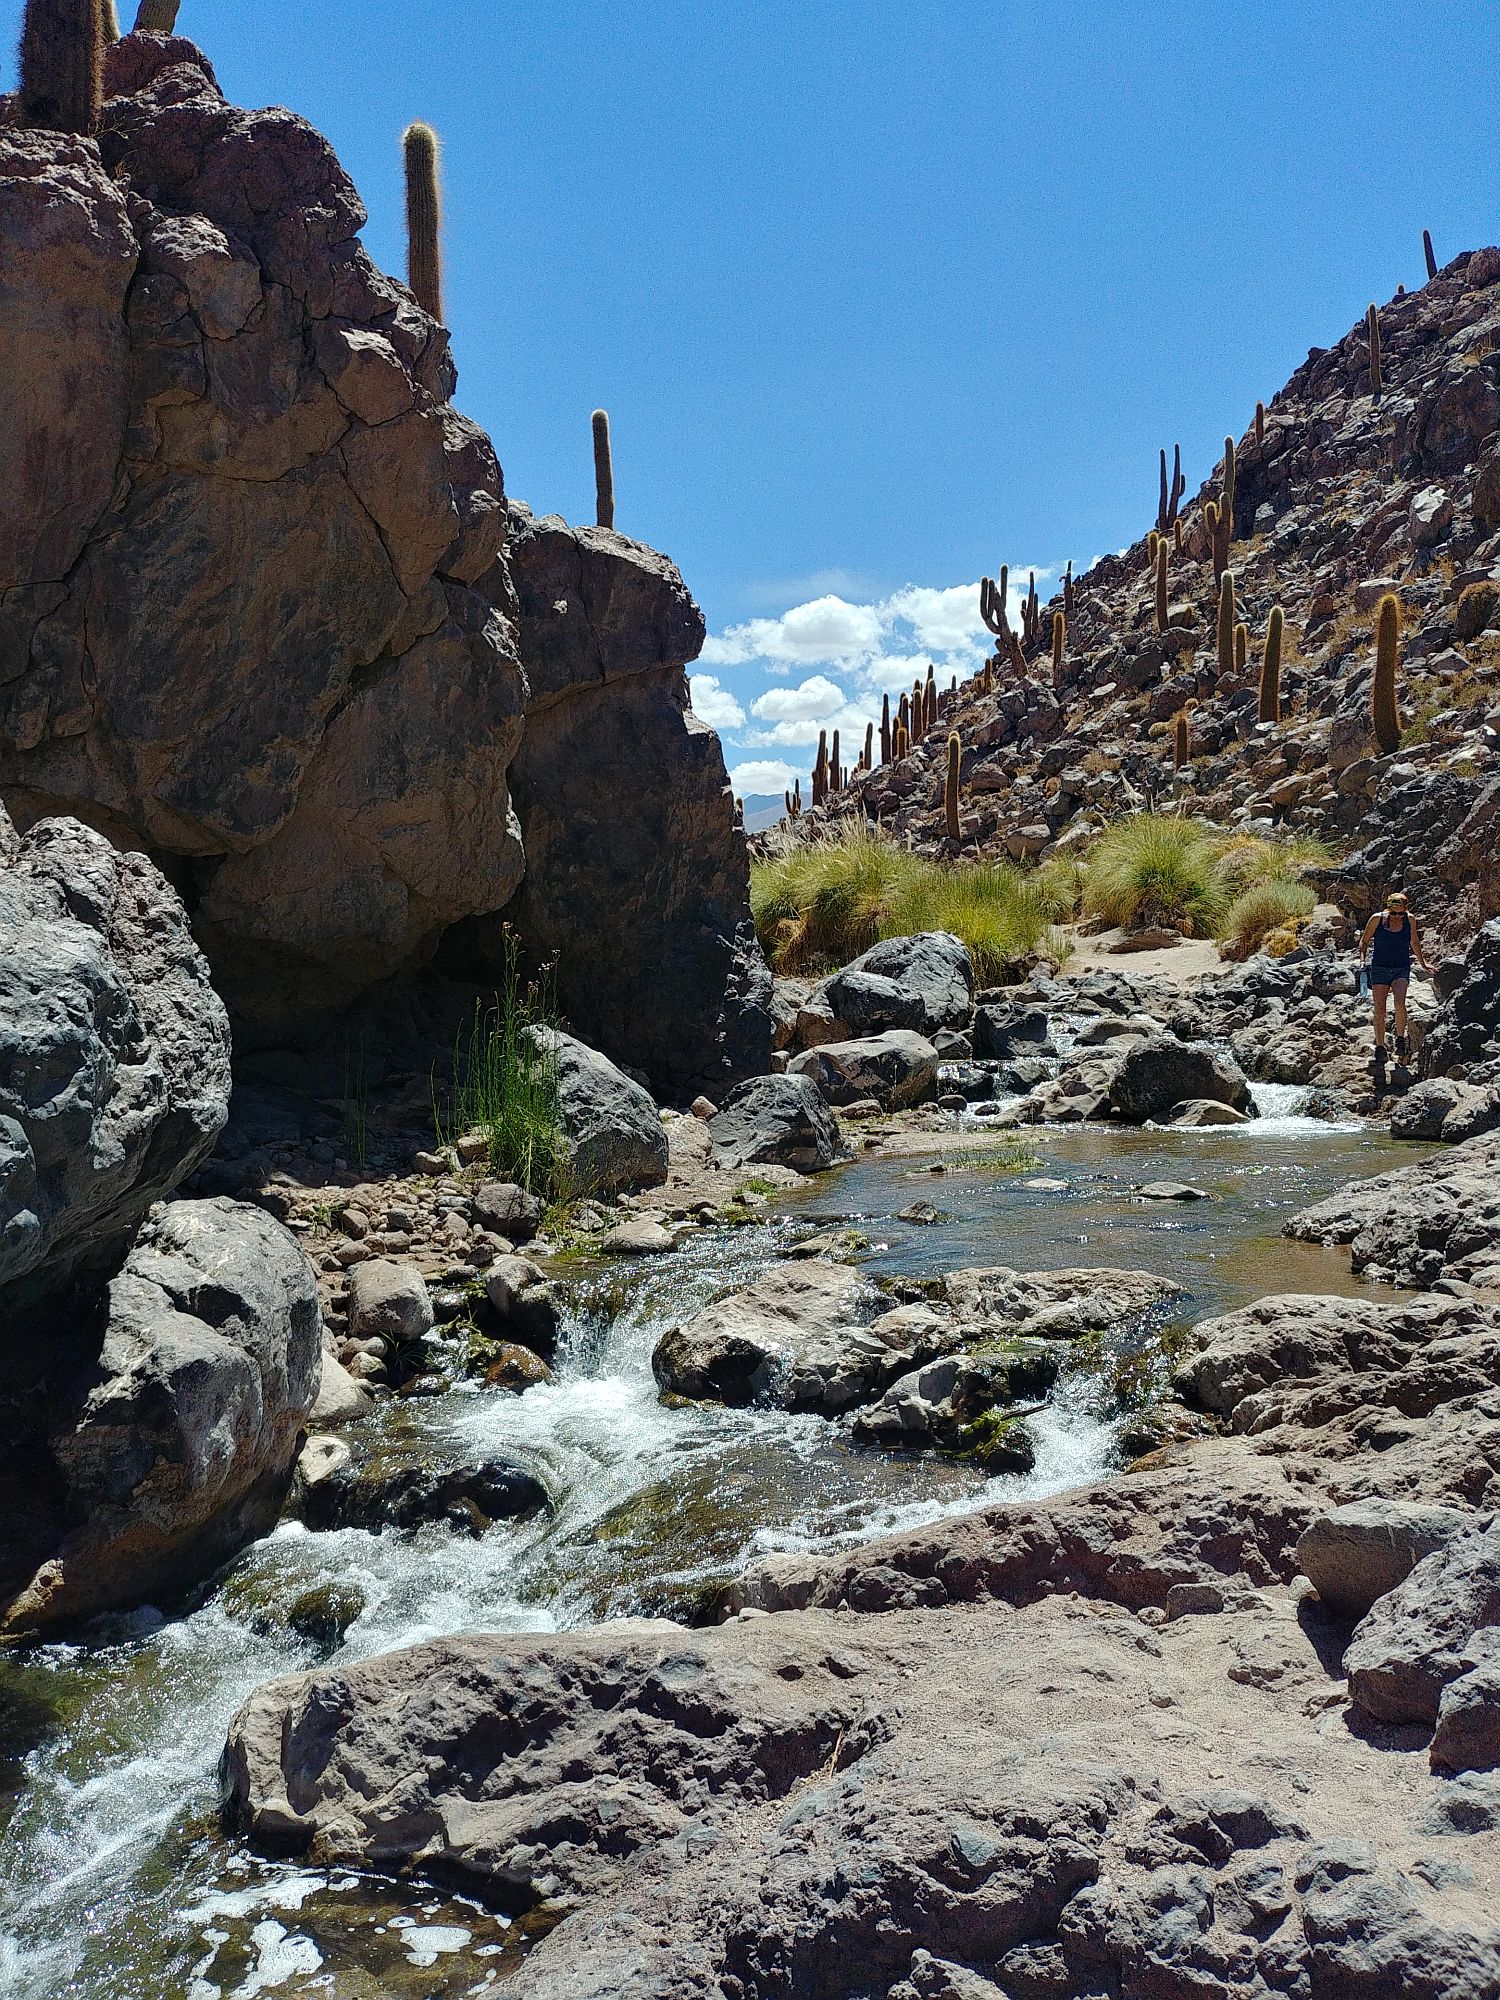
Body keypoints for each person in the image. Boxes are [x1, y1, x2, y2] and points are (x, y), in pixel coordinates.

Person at [1359, 890, 1431, 1062]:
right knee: (1380, 1008)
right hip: (1380, 967)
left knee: (1399, 1002)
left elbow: (1414, 941)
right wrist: (1362, 961)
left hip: (1401, 967)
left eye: (1401, 912)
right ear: (1388, 910)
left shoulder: (1410, 919)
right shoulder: (1377, 919)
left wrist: (1423, 963)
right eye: (1394, 913)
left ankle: (1400, 1038)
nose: (1398, 915)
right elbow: (1364, 940)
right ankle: (1380, 1046)